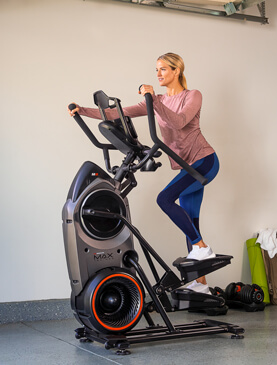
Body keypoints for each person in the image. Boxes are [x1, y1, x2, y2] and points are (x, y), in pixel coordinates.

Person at [68, 52, 219, 294]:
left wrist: (153, 101)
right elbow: (118, 113)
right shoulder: (155, 100)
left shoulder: (192, 96)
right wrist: (82, 110)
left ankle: (202, 248)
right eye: (156, 70)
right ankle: (200, 284)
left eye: (163, 69)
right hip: (185, 165)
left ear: (176, 71)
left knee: (165, 199)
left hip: (203, 162)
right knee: (190, 223)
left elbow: (179, 121)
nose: (158, 74)